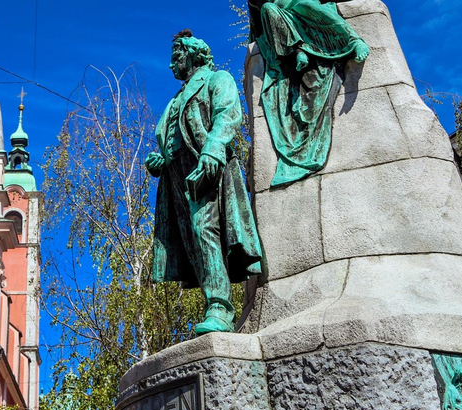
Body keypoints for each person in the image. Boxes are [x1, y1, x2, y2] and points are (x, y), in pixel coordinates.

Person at [146, 30, 262, 335]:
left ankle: (220, 308)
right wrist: (162, 160)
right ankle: (214, 303)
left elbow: (227, 114)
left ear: (192, 55)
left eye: (176, 58)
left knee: (205, 229)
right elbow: (172, 138)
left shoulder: (216, 79)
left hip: (205, 167)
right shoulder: (175, 99)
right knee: (191, 243)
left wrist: (213, 149)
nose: (171, 66)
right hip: (176, 179)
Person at [248, 0, 369, 186]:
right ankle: (299, 50)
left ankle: (353, 41)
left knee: (306, 5)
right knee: (267, 9)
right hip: (279, 19)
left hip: (302, 8)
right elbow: (256, 23)